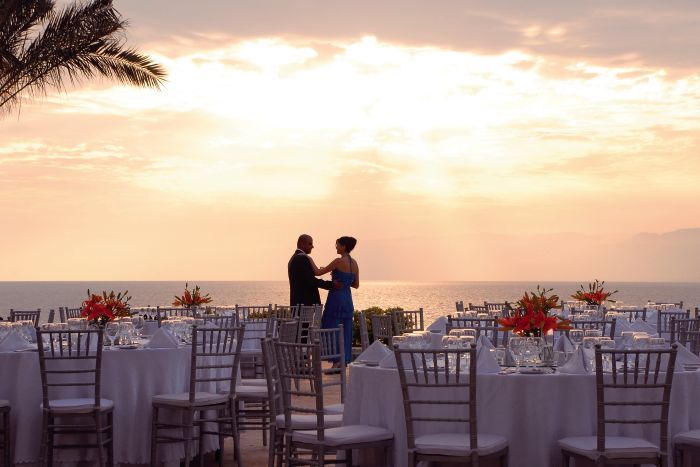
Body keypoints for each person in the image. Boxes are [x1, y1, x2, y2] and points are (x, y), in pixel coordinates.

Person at [309, 236, 359, 364]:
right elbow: (356, 285)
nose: (336, 247)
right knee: (346, 330)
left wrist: (309, 259)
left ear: (344, 246)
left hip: (336, 298)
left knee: (332, 328)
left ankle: (336, 361)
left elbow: (317, 273)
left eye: (337, 245)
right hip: (347, 299)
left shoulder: (338, 261)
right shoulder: (355, 264)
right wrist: (346, 282)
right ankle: (343, 360)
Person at [288, 234, 334, 307]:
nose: (312, 246)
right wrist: (332, 285)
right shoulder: (301, 258)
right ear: (302, 244)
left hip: (298, 303)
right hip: (305, 304)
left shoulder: (294, 257)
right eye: (310, 244)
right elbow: (310, 280)